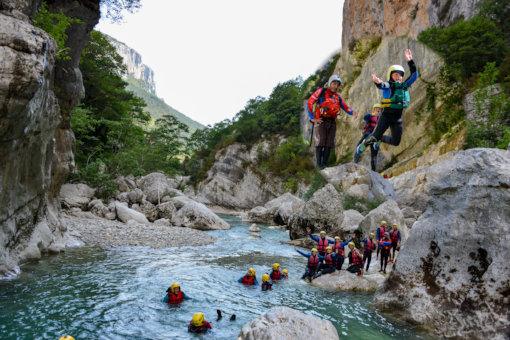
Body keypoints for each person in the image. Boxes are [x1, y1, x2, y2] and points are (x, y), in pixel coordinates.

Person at [356, 49, 418, 155]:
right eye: (396, 75)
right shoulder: (389, 85)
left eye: (400, 75)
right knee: (374, 137)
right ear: (391, 76)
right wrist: (378, 82)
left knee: (396, 142)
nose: (399, 77)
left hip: (397, 118)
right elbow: (383, 85)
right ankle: (364, 144)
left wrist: (410, 61)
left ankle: (380, 139)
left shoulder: (404, 86)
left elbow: (414, 75)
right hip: (385, 116)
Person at [307, 74, 357, 168]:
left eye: (337, 84)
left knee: (329, 143)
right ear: (330, 83)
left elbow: (346, 108)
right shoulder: (321, 91)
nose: (335, 86)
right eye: (334, 83)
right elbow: (310, 102)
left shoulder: (337, 97)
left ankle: (325, 164)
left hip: (332, 121)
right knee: (321, 142)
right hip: (321, 120)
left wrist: (353, 112)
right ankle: (319, 164)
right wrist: (312, 118)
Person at [353, 103, 383, 170]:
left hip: (375, 137)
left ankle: (373, 170)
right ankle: (355, 162)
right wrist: (371, 115)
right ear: (374, 110)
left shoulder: (381, 119)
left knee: (374, 154)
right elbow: (365, 117)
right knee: (359, 147)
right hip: (367, 134)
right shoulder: (370, 116)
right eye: (377, 110)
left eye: (379, 110)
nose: (378, 111)